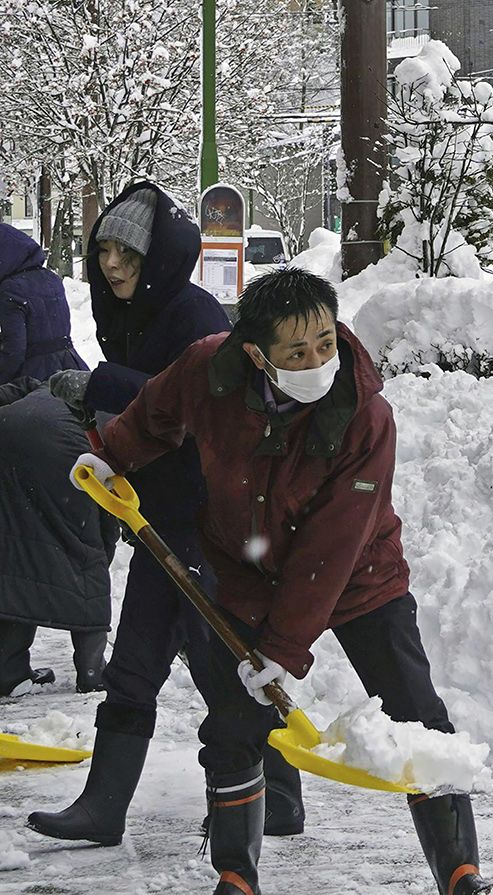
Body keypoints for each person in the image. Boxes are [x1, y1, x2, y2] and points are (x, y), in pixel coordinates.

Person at [68, 268, 493, 894]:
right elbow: (154, 415)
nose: (318, 359)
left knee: (416, 717)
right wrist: (110, 457)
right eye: (297, 351)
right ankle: (236, 877)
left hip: (360, 580)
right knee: (233, 726)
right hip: (245, 574)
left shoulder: (363, 414)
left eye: (326, 340)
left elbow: (334, 544)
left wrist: (283, 650)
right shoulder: (208, 371)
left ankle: (460, 870)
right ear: (254, 353)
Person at [28, 183, 307, 846]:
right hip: (159, 518)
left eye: (126, 251)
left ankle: (282, 794)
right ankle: (103, 807)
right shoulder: (131, 316)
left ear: (156, 257)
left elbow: (198, 408)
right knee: (135, 666)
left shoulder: (196, 313)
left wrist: (101, 387)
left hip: (209, 524)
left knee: (221, 666)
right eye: (104, 250)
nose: (112, 264)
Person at [0, 222, 107, 697]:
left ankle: (9, 667)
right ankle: (89, 667)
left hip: (24, 400)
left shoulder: (8, 291)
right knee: (83, 536)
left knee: (17, 538)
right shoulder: (47, 279)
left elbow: (11, 352)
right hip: (66, 382)